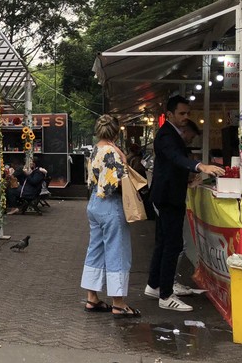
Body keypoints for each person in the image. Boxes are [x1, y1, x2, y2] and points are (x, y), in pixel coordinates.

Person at [146, 96, 224, 311]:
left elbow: (176, 163)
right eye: (181, 114)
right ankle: (166, 295)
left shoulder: (172, 135)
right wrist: (200, 166)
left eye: (187, 113)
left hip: (168, 194)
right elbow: (175, 158)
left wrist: (193, 174)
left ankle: (155, 285)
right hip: (168, 197)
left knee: (164, 243)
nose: (185, 117)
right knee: (172, 244)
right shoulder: (166, 136)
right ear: (169, 114)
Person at [81, 114, 141, 317]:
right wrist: (124, 160)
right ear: (116, 132)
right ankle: (118, 302)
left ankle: (92, 297)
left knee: (95, 250)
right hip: (110, 205)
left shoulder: (95, 149)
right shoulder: (112, 152)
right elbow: (116, 182)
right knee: (118, 251)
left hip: (94, 204)